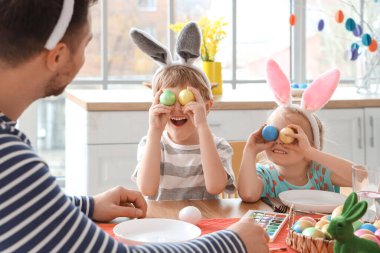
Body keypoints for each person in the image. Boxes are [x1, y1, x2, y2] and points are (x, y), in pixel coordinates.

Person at [0, 1, 269, 252]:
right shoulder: (11, 158)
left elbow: (26, 208)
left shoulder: (10, 150)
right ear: (58, 55)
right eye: (86, 45)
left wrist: (87, 205)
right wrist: (232, 242)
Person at [130, 22, 236, 200]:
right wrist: (155, 131)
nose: (177, 109)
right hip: (164, 224)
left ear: (207, 107)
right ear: (155, 105)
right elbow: (147, 190)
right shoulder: (152, 144)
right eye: (168, 100)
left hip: (205, 223)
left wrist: (202, 126)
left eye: (186, 99)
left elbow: (216, 187)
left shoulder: (218, 146)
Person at [238, 59, 353, 202]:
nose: (279, 141)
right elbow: (248, 194)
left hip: (319, 225)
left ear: (310, 144)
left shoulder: (320, 174)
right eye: (273, 133)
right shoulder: (266, 175)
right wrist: (250, 150)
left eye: (291, 135)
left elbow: (360, 178)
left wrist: (311, 152)